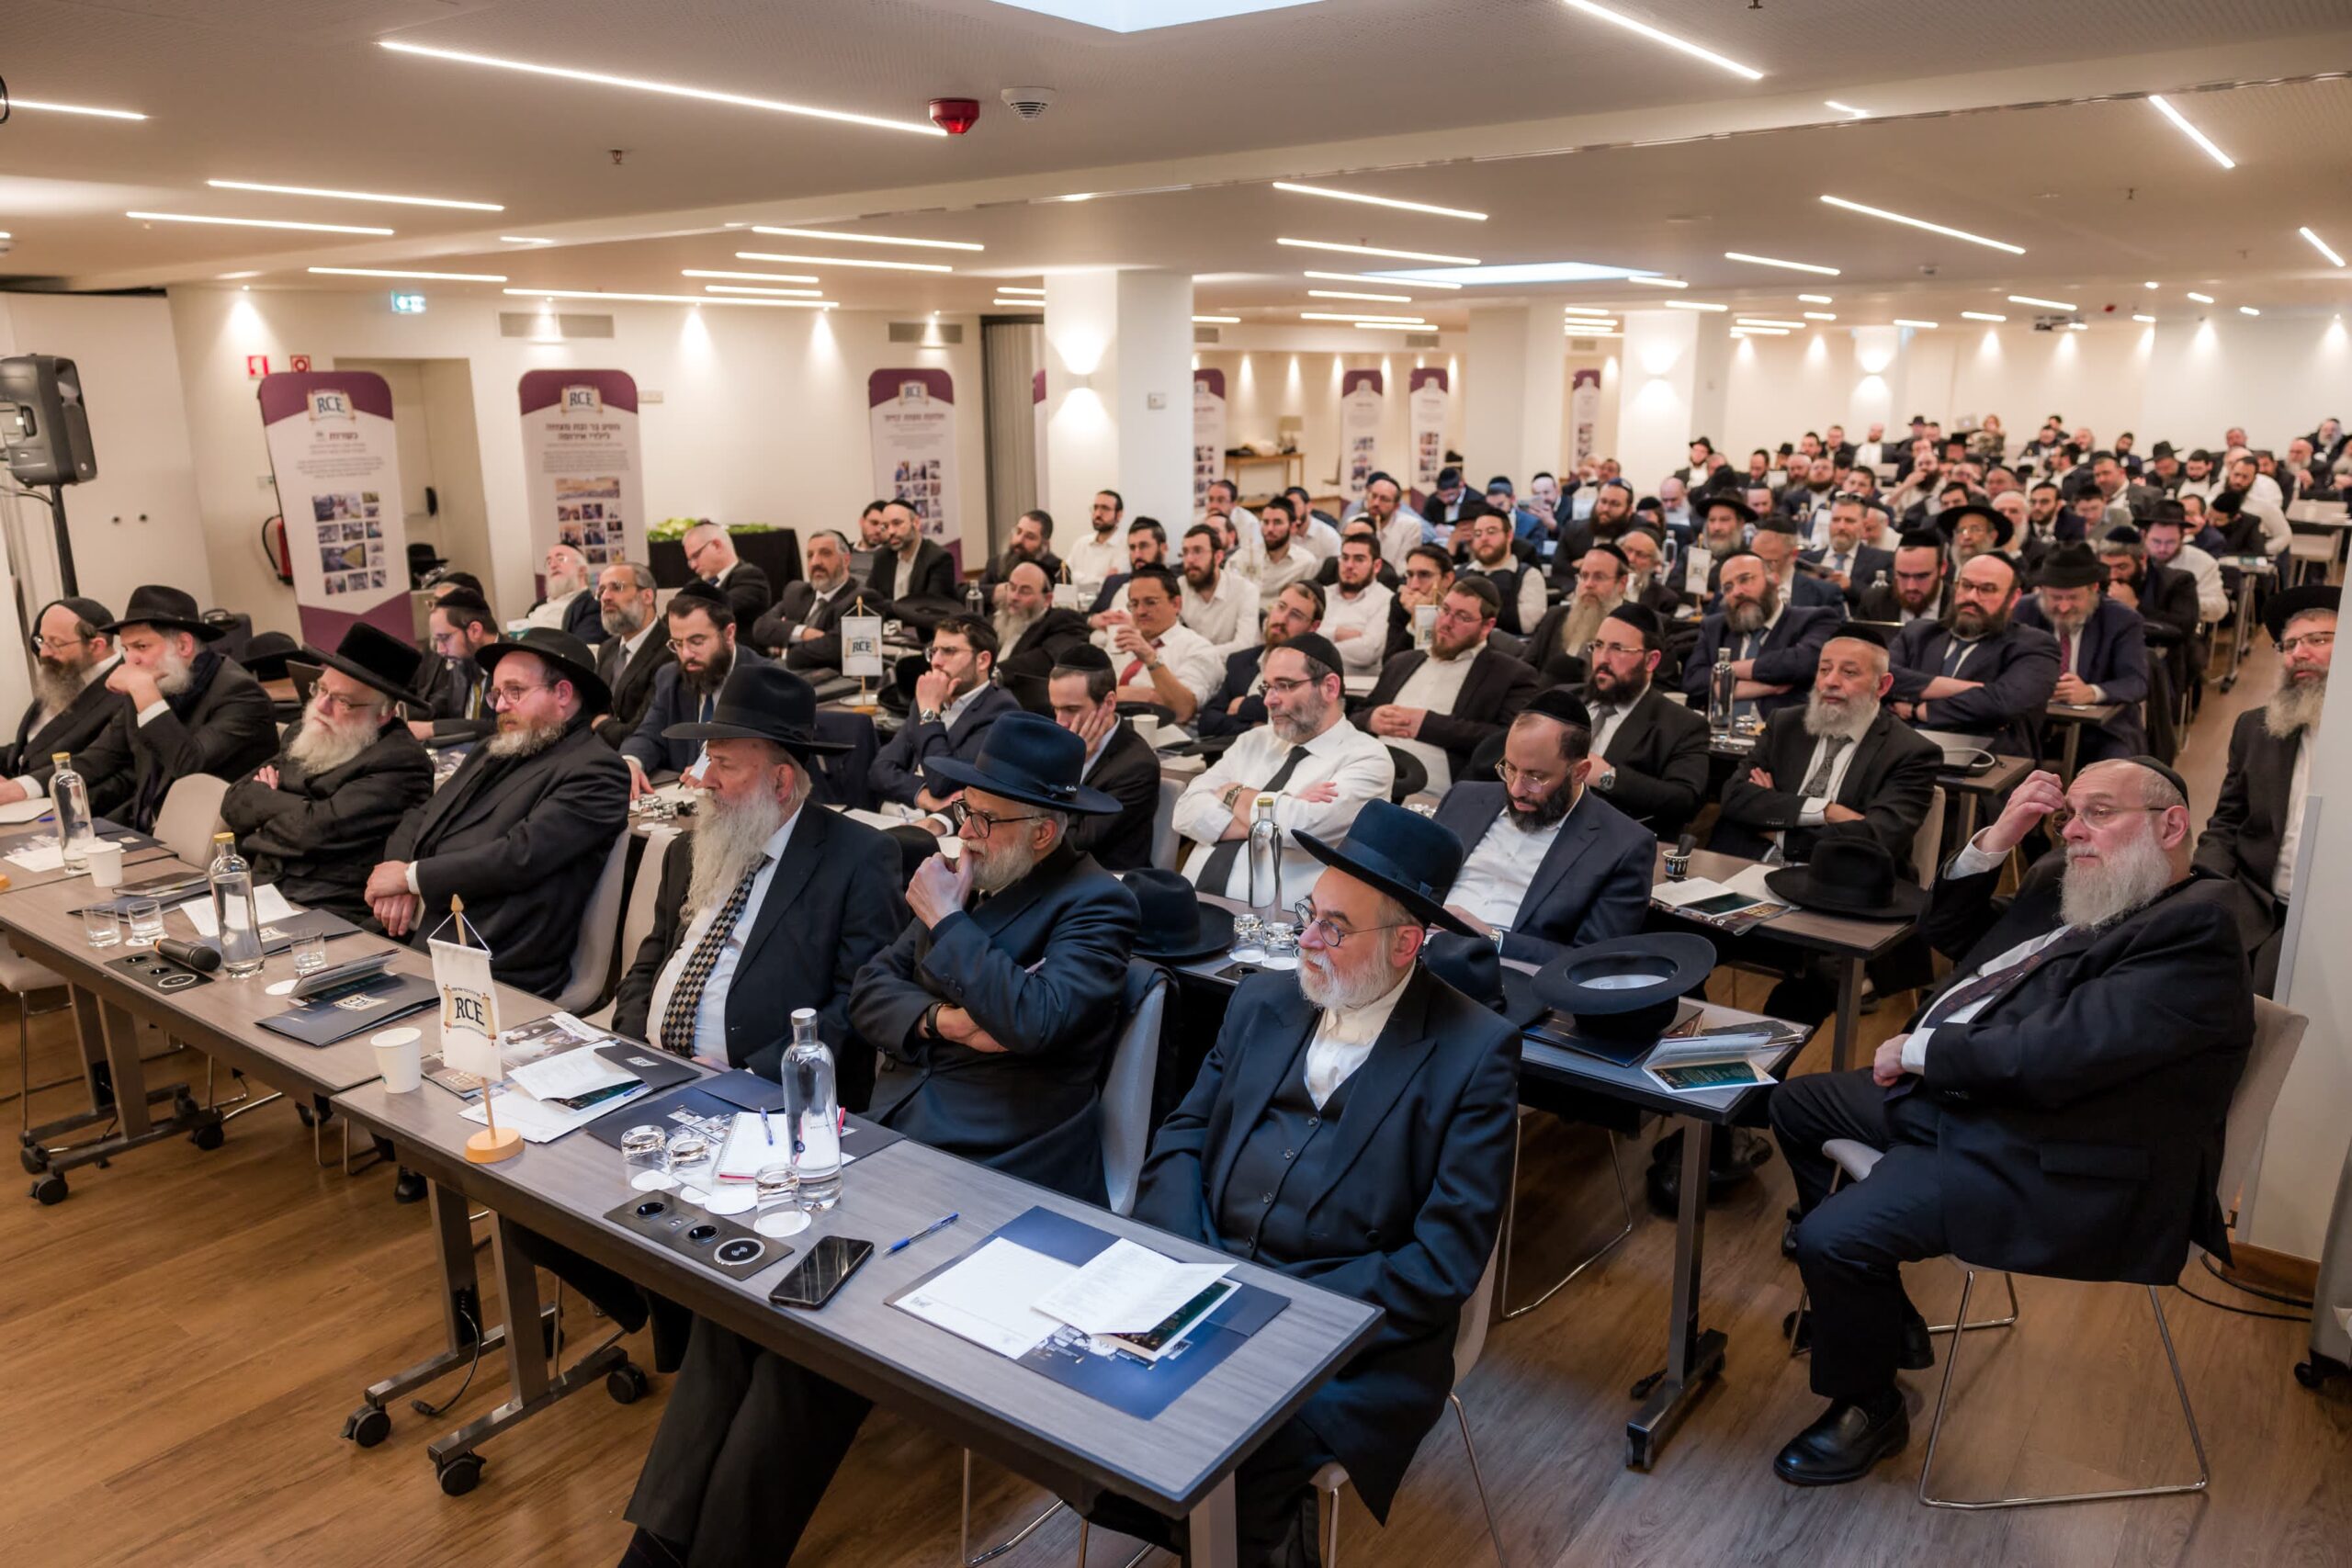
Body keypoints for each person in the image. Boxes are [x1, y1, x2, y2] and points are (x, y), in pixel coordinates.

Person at [620, 716, 1138, 1568]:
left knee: (810, 1339)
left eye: (984, 819)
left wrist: (948, 923)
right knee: (743, 1290)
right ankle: (657, 1547)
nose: (964, 833)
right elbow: (870, 991)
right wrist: (947, 1021)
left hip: (1000, 1171)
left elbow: (1036, 1020)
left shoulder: (1094, 906)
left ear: (1044, 831)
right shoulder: (975, 880)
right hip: (896, 1142)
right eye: (963, 812)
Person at [1767, 759, 2252, 1485]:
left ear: (2171, 824)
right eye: (2070, 814)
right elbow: (1948, 932)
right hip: (1978, 1098)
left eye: (2099, 812)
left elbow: (2059, 1054)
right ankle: (1877, 1311)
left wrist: (1919, 1049)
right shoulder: (2083, 878)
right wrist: (1999, 835)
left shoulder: (2197, 927)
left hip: (2052, 1150)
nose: (2075, 830)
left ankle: (1870, 1403)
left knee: (1831, 1236)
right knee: (1795, 1104)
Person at [1101, 800, 1518, 1563]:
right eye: (1308, 913)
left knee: (1231, 1447)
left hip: (1349, 1335)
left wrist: (1287, 1315)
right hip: (1203, 1284)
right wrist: (1195, 1272)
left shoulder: (1474, 1053)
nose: (1307, 938)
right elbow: (1183, 1139)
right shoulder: (1261, 1000)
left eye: (1334, 927)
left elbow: (1445, 1259)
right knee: (1084, 1395)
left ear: (1405, 943)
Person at [611, 663, 905, 1092]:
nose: (705, 781)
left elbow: (859, 1005)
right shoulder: (691, 848)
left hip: (766, 1092)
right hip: (648, 1071)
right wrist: (634, 1044)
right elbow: (650, 960)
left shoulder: (858, 859)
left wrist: (753, 1078)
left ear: (780, 782)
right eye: (709, 760)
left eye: (724, 765)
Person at [368, 627, 630, 998]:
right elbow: (423, 814)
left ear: (562, 694)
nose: (501, 705)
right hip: (430, 933)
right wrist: (398, 872)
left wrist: (411, 878)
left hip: (494, 960)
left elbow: (519, 855)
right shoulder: (495, 748)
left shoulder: (597, 770)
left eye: (515, 691)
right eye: (497, 693)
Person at [219, 625, 435, 924]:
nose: (321, 706)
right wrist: (302, 809)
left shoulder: (401, 762)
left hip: (330, 910)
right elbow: (233, 802)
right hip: (263, 892)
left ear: (384, 713)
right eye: (321, 690)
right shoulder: (305, 732)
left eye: (343, 701)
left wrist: (267, 804)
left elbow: (312, 833)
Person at [1433, 689, 1652, 963]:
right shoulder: (1464, 798)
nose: (1516, 789)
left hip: (1511, 971)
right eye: (1510, 768)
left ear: (1579, 772)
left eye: (1535, 777)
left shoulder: (1623, 846)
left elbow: (1594, 961)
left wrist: (1493, 939)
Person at [1174, 634, 1395, 899]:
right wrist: (1277, 812)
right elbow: (1184, 811)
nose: (1269, 700)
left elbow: (1299, 828)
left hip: (1283, 918)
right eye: (1267, 687)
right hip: (1189, 902)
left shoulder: (1368, 758)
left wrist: (1232, 793)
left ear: (1329, 687)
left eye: (1284, 685)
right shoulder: (1254, 741)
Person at [2195, 585, 2335, 995]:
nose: (2298, 653)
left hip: (2333, 919)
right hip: (2257, 904)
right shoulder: (2256, 729)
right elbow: (2226, 823)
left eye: (2318, 639)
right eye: (2289, 644)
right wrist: (2204, 887)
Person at [1713, 629, 1942, 876]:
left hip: (1842, 879)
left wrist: (1778, 825)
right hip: (1750, 862)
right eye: (1824, 669)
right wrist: (1828, 811)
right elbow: (1735, 797)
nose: (1830, 682)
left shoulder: (1911, 751)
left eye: (1849, 672)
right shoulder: (1785, 724)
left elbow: (1876, 840)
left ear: (1882, 685)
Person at [74, 586, 278, 832]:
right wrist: (36, 787)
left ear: (183, 645)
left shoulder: (240, 694)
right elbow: (103, 756)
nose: (131, 661)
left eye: (141, 647)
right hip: (149, 828)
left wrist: (144, 691)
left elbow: (189, 765)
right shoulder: (155, 686)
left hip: (214, 837)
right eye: (126, 649)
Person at [1357, 578, 1541, 793]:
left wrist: (1428, 724)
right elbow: (1354, 715)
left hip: (1433, 790)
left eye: (1462, 616)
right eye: (1444, 610)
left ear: (1487, 626)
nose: (1446, 622)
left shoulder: (1510, 674)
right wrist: (1370, 719)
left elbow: (1508, 742)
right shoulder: (1402, 661)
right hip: (1364, 774)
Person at [1885, 552, 2059, 760]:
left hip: (1989, 762)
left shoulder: (2035, 645)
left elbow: (2004, 704)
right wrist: (1977, 689)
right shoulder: (1918, 633)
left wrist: (1917, 710)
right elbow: (1883, 677)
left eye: (1987, 589)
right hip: (1907, 755)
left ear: (2013, 598)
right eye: (1966, 586)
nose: (1971, 597)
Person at [1579, 604, 1712, 838]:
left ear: (1651, 660)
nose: (1602, 659)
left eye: (1618, 648)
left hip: (1614, 839)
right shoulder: (1565, 698)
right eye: (1598, 646)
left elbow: (1684, 800)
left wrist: (1608, 777)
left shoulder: (1681, 725)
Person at [2013, 542, 2150, 761]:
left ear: (2093, 588)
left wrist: (2091, 692)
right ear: (2042, 591)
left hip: (2101, 729)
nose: (2064, 607)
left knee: (2114, 766)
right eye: (2056, 598)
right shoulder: (2023, 610)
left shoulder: (2122, 620)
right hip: (2032, 722)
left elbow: (2136, 682)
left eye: (2073, 598)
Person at [868, 614, 1021, 810]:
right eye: (934, 651)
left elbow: (942, 782)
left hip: (945, 824)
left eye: (949, 651)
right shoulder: (928, 698)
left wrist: (929, 713)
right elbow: (879, 771)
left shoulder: (1001, 712)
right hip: (901, 811)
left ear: (982, 660)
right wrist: (924, 797)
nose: (936, 662)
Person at [621, 586, 764, 793]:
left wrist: (711, 766)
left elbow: (760, 755)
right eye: (677, 644)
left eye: (697, 642)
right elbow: (649, 735)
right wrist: (631, 762)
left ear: (729, 634)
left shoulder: (764, 681)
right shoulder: (670, 677)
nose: (686, 654)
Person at [1681, 552, 1840, 723]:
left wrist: (1727, 671)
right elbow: (1692, 681)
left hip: (1780, 733)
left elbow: (1804, 663)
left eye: (1745, 579)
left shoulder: (1814, 619)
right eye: (1728, 588)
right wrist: (1767, 688)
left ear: (1774, 580)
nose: (1737, 592)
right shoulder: (1715, 627)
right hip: (1721, 731)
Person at [1044, 646, 1161, 871]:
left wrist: (1072, 768)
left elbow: (1074, 842)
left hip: (1103, 878)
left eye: (1071, 709)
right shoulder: (1055, 739)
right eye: (1055, 709)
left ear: (1108, 703)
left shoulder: (1137, 767)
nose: (1060, 722)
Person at [0, 596, 119, 805]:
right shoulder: (65, 673)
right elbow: (34, 746)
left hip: (66, 807)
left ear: (97, 646)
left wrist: (21, 789)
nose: (43, 653)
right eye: (41, 640)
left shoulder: (123, 690)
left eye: (56, 643)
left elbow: (100, 763)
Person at [1196, 580, 1324, 739]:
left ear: (1313, 627)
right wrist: (1252, 727)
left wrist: (1245, 706)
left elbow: (1297, 722)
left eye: (1296, 615)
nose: (1282, 619)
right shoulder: (1240, 661)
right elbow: (1207, 723)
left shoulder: (1313, 671)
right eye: (1281, 607)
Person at [1099, 566, 1220, 724]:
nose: (1140, 611)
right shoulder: (1122, 640)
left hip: (1163, 733)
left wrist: (1151, 659)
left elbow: (1182, 711)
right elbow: (1093, 694)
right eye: (1134, 604)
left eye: (1150, 602)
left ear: (1176, 604)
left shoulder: (1198, 648)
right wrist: (1147, 695)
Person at [749, 528, 864, 667]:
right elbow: (761, 627)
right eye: (810, 555)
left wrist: (786, 642)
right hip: (783, 672)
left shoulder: (862, 599)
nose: (815, 562)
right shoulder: (796, 591)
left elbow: (836, 648)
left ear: (846, 560)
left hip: (827, 677)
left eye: (825, 553)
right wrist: (804, 633)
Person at [591, 562, 673, 749]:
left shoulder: (670, 649)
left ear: (647, 596)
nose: (605, 597)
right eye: (601, 591)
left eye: (616, 587)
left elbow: (641, 732)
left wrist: (602, 725)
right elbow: (591, 711)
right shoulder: (608, 649)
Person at [1521, 544, 1629, 685]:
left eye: (1599, 577)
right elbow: (1526, 669)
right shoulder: (1555, 616)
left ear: (1622, 583)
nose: (1588, 584)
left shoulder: (1634, 625)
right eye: (1584, 576)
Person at [414, 589, 501, 742]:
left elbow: (499, 726)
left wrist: (432, 728)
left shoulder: (514, 665)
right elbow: (441, 703)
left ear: (475, 630)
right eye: (437, 641)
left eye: (444, 638)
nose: (440, 650)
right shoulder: (464, 659)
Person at [989, 559, 1091, 685]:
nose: (1014, 597)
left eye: (1025, 591)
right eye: (1012, 587)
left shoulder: (1064, 620)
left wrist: (990, 675)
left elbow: (1045, 661)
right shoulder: (999, 620)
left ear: (1047, 599)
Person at [1176, 522, 1261, 655]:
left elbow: (1244, 646)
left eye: (1197, 551)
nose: (1190, 559)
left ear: (1218, 557)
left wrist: (1197, 654)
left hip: (1232, 665)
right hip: (1191, 663)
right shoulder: (1179, 587)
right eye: (1185, 552)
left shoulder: (1245, 591)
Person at [1320, 530, 1398, 675]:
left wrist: (1315, 644)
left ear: (1377, 566)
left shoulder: (1387, 600)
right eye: (1345, 558)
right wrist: (1337, 633)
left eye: (1359, 559)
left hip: (1357, 685)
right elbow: (1298, 635)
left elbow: (1367, 652)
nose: (1349, 565)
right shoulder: (1323, 594)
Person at [1454, 511, 1544, 635]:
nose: (1484, 538)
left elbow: (1527, 624)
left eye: (1491, 532)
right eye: (1478, 534)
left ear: (1509, 536)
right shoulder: (1460, 573)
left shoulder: (1528, 575)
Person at [2141, 502, 2228, 625]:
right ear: (2144, 536)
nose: (2162, 548)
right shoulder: (2130, 558)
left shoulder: (2204, 562)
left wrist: (2184, 601)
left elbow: (2219, 608)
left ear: (2182, 537)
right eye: (2156, 541)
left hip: (2181, 629)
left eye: (2170, 542)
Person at [1802, 497, 1894, 603]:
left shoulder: (1883, 561)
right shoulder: (1806, 561)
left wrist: (1850, 586)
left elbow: (1887, 602)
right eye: (1836, 520)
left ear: (1863, 526)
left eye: (1849, 521)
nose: (1841, 527)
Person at [682, 521, 774, 628]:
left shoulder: (750, 576)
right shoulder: (696, 584)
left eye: (696, 556)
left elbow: (720, 610)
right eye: (690, 560)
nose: (693, 565)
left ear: (717, 545)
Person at [865, 499, 958, 604]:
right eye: (886, 526)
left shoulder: (939, 558)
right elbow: (870, 600)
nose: (890, 532)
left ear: (916, 523)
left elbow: (933, 607)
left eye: (897, 523)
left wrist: (889, 607)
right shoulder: (882, 556)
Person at [1855, 532, 1950, 625]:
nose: (1911, 587)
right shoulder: (1874, 603)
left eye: (1921, 577)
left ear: (1942, 568)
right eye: (1903, 576)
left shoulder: (1956, 605)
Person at [979, 509, 1063, 602]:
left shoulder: (1057, 569)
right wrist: (1001, 590)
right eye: (1018, 532)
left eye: (1030, 537)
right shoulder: (996, 563)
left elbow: (1059, 605)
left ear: (1045, 544)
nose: (1019, 540)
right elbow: (975, 592)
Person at [526, 542, 603, 642]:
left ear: (582, 570)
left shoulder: (593, 605)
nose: (553, 565)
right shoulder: (537, 606)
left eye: (561, 559)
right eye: (549, 562)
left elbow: (581, 647)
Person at [1249, 494, 1321, 598]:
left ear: (1293, 527)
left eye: (1277, 522)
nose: (1270, 529)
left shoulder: (1306, 563)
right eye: (1266, 522)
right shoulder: (1244, 557)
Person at [1063, 489, 1126, 604]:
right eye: (1095, 508)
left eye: (1105, 508)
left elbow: (1112, 589)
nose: (1097, 514)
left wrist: (1078, 580)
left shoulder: (1126, 545)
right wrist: (1101, 581)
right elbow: (1065, 581)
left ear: (1119, 515)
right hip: (1074, 609)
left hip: (1108, 609)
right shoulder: (1081, 543)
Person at [1363, 473, 1425, 573]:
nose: (1376, 503)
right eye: (1373, 496)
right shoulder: (1355, 523)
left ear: (1396, 507)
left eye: (1384, 499)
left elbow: (1403, 571)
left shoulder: (1410, 526)